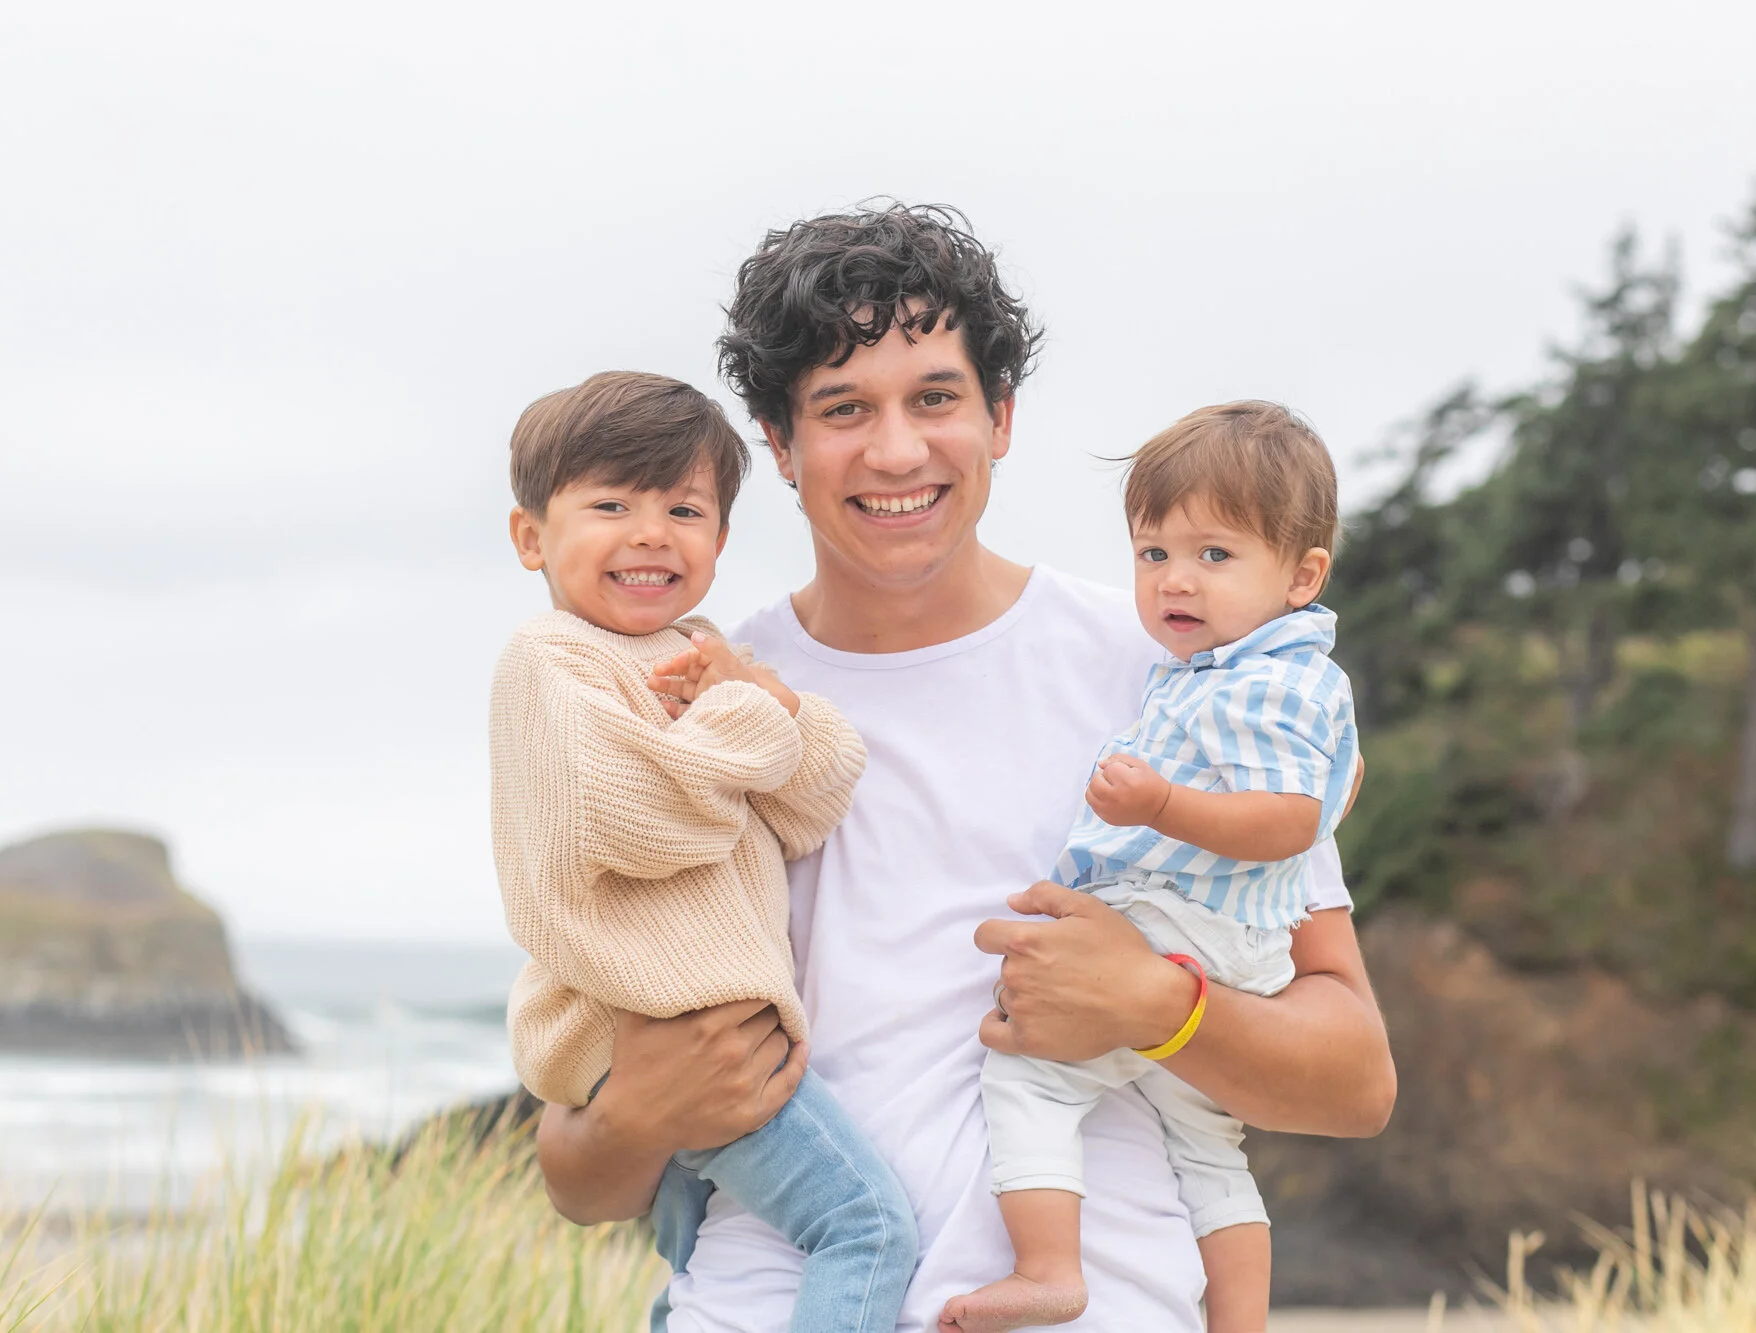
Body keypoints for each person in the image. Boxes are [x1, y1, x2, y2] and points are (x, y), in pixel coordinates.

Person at [533, 205, 1397, 1333]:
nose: (895, 451)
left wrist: (1158, 1005)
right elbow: (577, 1173)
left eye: (933, 398)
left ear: (998, 419)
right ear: (780, 446)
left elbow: (1355, 1079)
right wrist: (632, 1117)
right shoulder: (686, 696)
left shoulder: (1181, 676)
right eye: (843, 409)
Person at [490, 370, 918, 1333]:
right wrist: (739, 710)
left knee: (691, 1252)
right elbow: (639, 821)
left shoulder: (697, 651)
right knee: (866, 1227)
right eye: (611, 504)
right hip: (663, 1028)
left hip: (698, 1020)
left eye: (683, 508)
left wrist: (768, 701)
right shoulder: (551, 659)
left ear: (719, 541)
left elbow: (812, 802)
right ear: (532, 537)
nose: (650, 532)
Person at [944, 402, 1360, 1333]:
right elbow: (1325, 791)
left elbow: (1291, 818)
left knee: (1031, 1080)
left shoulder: (1251, 679)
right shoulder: (1268, 670)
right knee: (1209, 1151)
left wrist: (1160, 805)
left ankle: (1050, 1265)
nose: (1177, 580)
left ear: (1303, 576)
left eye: (1215, 555)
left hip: (1183, 921)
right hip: (1237, 946)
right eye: (1153, 553)